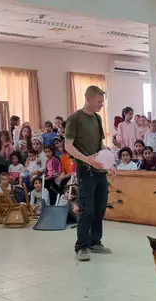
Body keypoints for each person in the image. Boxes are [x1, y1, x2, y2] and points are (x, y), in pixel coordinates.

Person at [64, 85, 112, 262]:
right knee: (86, 208)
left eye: (102, 102)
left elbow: (100, 144)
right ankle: (81, 246)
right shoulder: (75, 118)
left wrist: (109, 158)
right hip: (85, 170)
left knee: (100, 207)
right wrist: (86, 159)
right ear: (88, 99)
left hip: (100, 170)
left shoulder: (98, 119)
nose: (101, 105)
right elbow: (68, 146)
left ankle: (95, 241)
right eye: (99, 102)